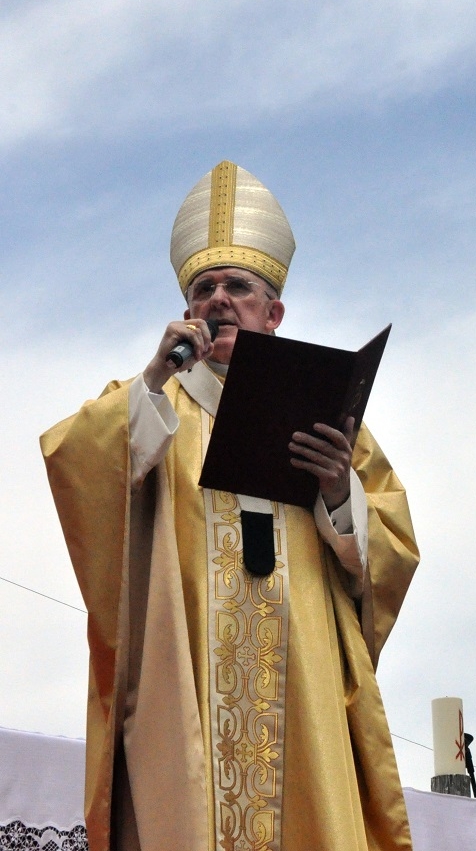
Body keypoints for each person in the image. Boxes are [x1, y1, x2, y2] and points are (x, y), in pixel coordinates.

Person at [41, 161, 420, 851]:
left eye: (237, 287)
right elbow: (80, 469)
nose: (218, 299)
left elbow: (389, 556)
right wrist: (154, 379)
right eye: (202, 289)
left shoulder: (335, 423)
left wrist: (339, 492)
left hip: (299, 690)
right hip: (184, 683)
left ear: (273, 312)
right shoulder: (152, 403)